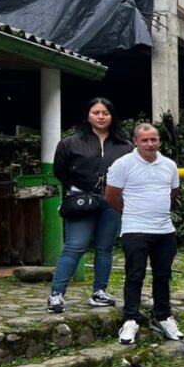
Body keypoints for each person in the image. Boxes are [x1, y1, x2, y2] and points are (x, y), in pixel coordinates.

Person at [49, 97, 132, 314]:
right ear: (88, 115)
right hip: (81, 199)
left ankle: (99, 292)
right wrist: (77, 188)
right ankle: (56, 294)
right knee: (75, 246)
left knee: (105, 248)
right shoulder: (70, 142)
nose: (101, 116)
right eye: (96, 112)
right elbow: (60, 170)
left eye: (105, 112)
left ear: (112, 115)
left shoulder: (125, 145)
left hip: (112, 200)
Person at [105, 123, 182, 345]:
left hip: (164, 230)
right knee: (134, 275)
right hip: (135, 229)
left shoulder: (169, 165)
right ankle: (131, 319)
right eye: (145, 140)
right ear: (135, 141)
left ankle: (163, 316)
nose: (150, 144)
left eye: (154, 139)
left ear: (159, 141)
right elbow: (111, 196)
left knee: (163, 276)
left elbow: (173, 194)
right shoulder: (123, 164)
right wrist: (132, 212)